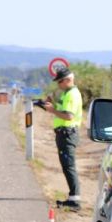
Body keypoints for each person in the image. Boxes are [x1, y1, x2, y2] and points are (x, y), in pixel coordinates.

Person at [43, 67, 82, 211]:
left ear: (68, 80)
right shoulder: (68, 94)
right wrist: (51, 105)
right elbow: (63, 109)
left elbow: (68, 116)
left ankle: (75, 201)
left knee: (69, 166)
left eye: (60, 81)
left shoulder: (71, 94)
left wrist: (52, 110)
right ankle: (73, 198)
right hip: (65, 133)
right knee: (67, 166)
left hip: (67, 134)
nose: (58, 84)